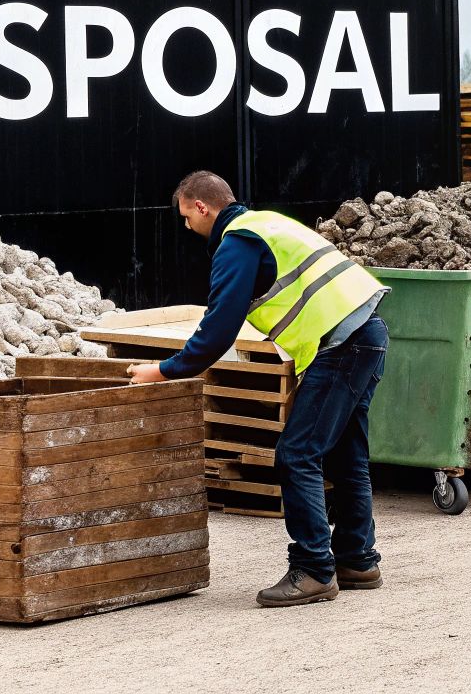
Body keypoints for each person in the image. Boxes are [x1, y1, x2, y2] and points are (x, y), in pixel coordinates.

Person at [127, 170, 389, 607]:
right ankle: (357, 560)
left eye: (186, 217)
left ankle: (314, 570)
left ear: (201, 207)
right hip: (367, 333)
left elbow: (218, 330)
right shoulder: (266, 223)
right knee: (346, 454)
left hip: (341, 344)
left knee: (296, 453)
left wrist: (165, 370)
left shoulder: (238, 242)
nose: (186, 226)